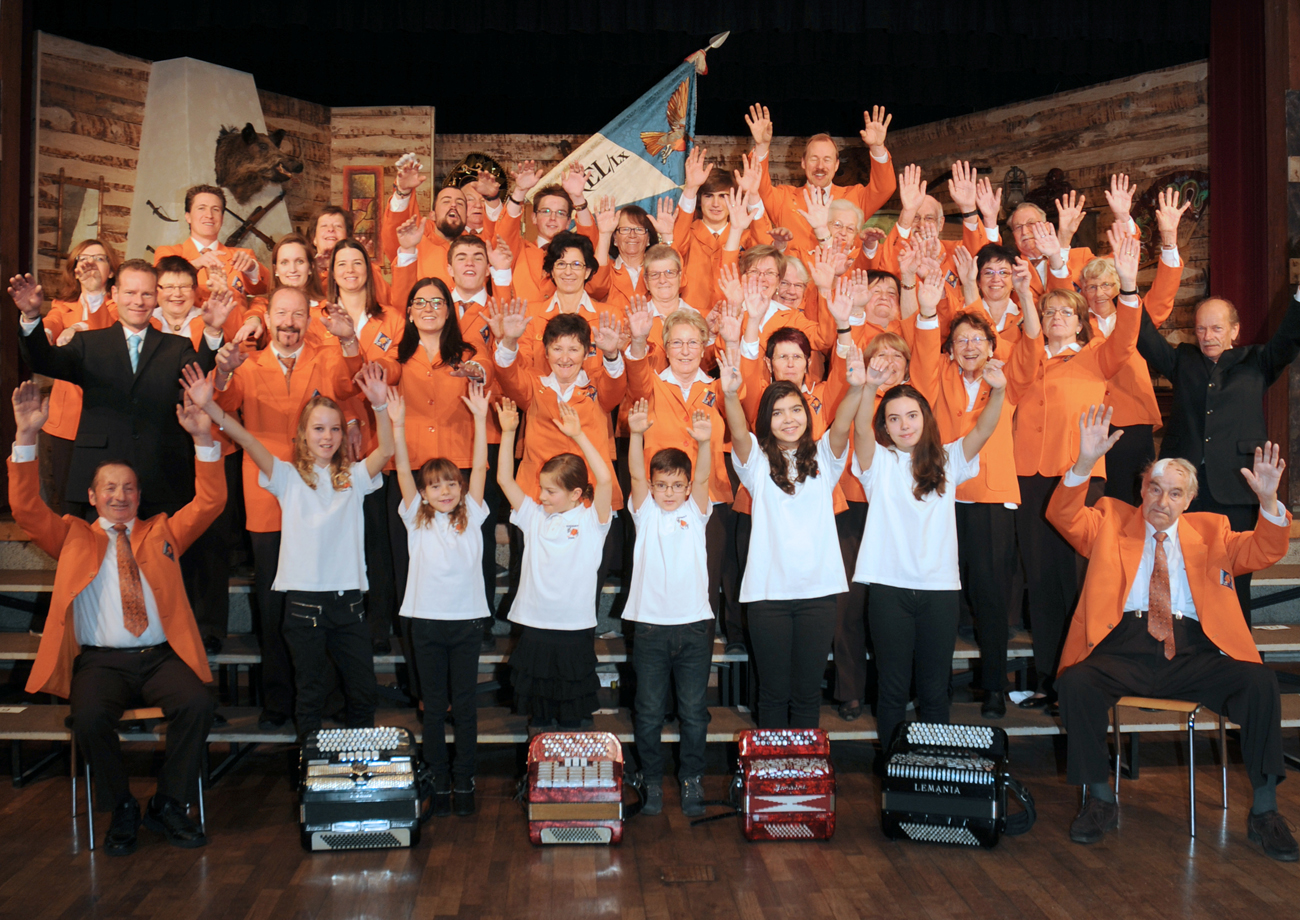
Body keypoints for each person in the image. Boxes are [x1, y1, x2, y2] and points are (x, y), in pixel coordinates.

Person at [1050, 406, 1297, 861]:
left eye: (1175, 493)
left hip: (1194, 651)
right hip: (1123, 646)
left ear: (1189, 500)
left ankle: (1265, 812)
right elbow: (1063, 514)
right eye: (1155, 488)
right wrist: (1085, 462)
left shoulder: (1214, 530)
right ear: (1141, 490)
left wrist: (1268, 501)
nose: (1162, 501)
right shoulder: (1109, 521)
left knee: (1261, 682)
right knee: (1076, 683)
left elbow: (1265, 549)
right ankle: (1101, 799)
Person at [8, 380, 224, 855]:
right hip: (101, 662)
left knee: (197, 705)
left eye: (128, 488)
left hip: (160, 658)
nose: (120, 495)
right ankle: (121, 806)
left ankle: (168, 803)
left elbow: (210, 503)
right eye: (109, 488)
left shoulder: (163, 531)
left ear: (139, 495)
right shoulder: (71, 536)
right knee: (87, 717)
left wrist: (203, 438)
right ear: (92, 496)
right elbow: (25, 509)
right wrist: (26, 436)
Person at [182, 362, 394, 741]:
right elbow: (247, 439)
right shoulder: (286, 476)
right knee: (309, 693)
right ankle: (309, 765)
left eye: (334, 429)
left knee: (363, 693)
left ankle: (359, 772)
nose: (327, 436)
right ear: (302, 434)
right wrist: (210, 405)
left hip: (348, 604)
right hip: (303, 605)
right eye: (318, 429)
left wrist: (380, 406)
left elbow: (388, 449)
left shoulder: (355, 477)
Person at [210, 286, 366, 729]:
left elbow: (349, 384)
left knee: (324, 606)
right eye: (282, 313)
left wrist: (349, 339)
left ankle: (327, 699)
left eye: (298, 314)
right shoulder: (247, 362)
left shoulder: (327, 357)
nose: (289, 322)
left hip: (320, 500)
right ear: (268, 318)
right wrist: (221, 374)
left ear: (309, 321)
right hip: (268, 495)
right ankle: (279, 700)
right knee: (273, 604)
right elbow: (223, 406)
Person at [851, 350, 1007, 751]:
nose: (904, 425)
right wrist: (869, 387)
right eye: (894, 419)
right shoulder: (878, 462)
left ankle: (932, 771)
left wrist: (998, 391)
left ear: (925, 418)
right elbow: (861, 430)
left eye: (912, 415)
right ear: (885, 426)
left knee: (935, 691)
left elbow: (985, 429)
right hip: (888, 588)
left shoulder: (948, 459)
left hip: (939, 590)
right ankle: (893, 770)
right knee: (892, 690)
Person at [1013, 228, 1141, 709]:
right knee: (1042, 580)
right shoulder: (1025, 358)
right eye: (1050, 312)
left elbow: (1126, 337)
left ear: (1082, 321)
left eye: (1067, 312)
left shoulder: (1095, 357)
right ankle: (1049, 678)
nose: (1057, 318)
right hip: (1029, 478)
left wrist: (1129, 287)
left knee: (1080, 578)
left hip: (1080, 476)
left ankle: (1082, 679)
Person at [909, 269, 1043, 718]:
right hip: (943, 498)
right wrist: (927, 311)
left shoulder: (1007, 380)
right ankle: (934, 687)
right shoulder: (939, 377)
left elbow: (1031, 347)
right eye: (961, 340)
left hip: (990, 499)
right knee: (941, 594)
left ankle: (994, 688)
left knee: (990, 596)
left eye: (978, 340)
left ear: (992, 346)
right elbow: (922, 360)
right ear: (950, 348)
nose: (970, 347)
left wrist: (1025, 294)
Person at [717, 339, 866, 729]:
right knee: (772, 693)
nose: (788, 419)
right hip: (769, 595)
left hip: (818, 594)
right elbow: (738, 431)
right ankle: (771, 767)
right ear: (766, 420)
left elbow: (842, 424)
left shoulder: (824, 457)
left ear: (807, 414)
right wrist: (730, 395)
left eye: (796, 409)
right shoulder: (756, 462)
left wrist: (856, 388)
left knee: (805, 696)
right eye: (778, 412)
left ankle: (802, 767)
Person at [1137, 282, 1300, 626]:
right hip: (1183, 491)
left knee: (1234, 576)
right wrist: (1126, 289)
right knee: (1182, 571)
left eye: (1216, 328)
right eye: (1200, 329)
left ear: (1234, 331)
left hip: (1236, 487)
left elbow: (1289, 337)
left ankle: (1234, 648)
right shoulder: (1183, 360)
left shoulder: (1258, 361)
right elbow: (1145, 338)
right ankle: (1187, 645)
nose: (1207, 336)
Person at [9, 261, 221, 517]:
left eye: (146, 294)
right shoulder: (87, 343)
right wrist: (31, 317)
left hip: (162, 479)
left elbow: (198, 376)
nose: (138, 301)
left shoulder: (177, 347)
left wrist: (213, 331)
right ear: (115, 294)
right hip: (98, 478)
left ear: (156, 297)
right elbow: (44, 361)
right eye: (130, 293)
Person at [391, 380, 492, 818]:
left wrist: (482, 419)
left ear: (461, 486)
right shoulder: (417, 517)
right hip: (427, 624)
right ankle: (438, 778)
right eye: (435, 486)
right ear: (424, 493)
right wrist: (397, 425)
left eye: (451, 483)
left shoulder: (475, 515)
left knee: (465, 707)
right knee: (433, 708)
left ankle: (464, 779)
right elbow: (401, 468)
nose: (445, 491)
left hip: (466, 624)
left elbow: (482, 466)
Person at [1063, 187, 1189, 503]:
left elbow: (1164, 291)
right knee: (1091, 501)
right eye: (1092, 286)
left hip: (1133, 420)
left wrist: (1169, 240)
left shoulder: (1136, 317)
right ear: (1082, 291)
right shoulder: (1075, 325)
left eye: (1107, 284)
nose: (1100, 292)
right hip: (1087, 421)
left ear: (1120, 285)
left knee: (1133, 501)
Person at [496, 398, 613, 728]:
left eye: (550, 491)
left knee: (572, 716)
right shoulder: (533, 516)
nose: (541, 496)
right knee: (539, 715)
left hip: (574, 628)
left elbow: (604, 479)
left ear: (576, 494)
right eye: (542, 489)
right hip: (535, 625)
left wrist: (578, 436)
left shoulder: (592, 521)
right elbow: (504, 479)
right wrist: (508, 432)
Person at [623, 397, 714, 818]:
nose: (670, 493)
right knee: (648, 712)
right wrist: (636, 434)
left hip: (694, 627)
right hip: (650, 628)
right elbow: (634, 473)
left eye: (678, 485)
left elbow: (705, 475)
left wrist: (705, 443)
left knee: (694, 712)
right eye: (662, 485)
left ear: (688, 486)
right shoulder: (644, 513)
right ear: (652, 486)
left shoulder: (696, 512)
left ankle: (692, 778)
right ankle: (651, 778)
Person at [152, 257, 244, 653]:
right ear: (156, 291)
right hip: (159, 449)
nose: (176, 294)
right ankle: (162, 625)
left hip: (210, 446)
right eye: (167, 286)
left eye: (183, 287)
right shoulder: (144, 323)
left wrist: (214, 334)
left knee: (211, 539)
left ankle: (209, 628)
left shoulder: (213, 325)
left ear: (196, 290)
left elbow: (228, 389)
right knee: (162, 537)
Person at [746, 104, 897, 256]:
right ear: (803, 163)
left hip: (842, 271)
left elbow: (884, 188)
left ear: (836, 165)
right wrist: (761, 146)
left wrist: (877, 147)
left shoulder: (855, 197)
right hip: (794, 271)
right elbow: (756, 185)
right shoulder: (784, 198)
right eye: (814, 159)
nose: (820, 166)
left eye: (827, 160)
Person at [37, 240, 119, 517]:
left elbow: (110, 334)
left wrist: (78, 328)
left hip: (107, 417)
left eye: (99, 258)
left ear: (111, 270)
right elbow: (50, 325)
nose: (90, 263)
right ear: (75, 270)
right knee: (68, 502)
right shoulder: (62, 306)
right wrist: (44, 335)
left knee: (107, 501)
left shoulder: (119, 305)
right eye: (84, 259)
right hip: (66, 421)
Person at [496, 160, 600, 302]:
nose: (552, 218)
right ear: (534, 217)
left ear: (568, 222)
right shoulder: (519, 250)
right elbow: (504, 232)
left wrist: (577, 198)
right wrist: (519, 192)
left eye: (560, 213)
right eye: (545, 211)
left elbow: (591, 242)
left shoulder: (577, 255)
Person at [152, 185, 266, 303]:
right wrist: (195, 265)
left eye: (215, 209)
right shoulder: (168, 253)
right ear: (188, 217)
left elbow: (265, 291)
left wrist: (252, 269)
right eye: (201, 208)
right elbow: (161, 288)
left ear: (222, 218)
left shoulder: (242, 256)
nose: (209, 215)